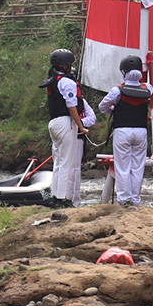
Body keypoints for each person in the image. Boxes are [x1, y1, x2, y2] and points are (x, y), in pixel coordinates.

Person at [43, 48, 95, 208]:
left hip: (54, 123)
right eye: (69, 64)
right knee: (67, 161)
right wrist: (81, 126)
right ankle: (63, 198)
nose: (71, 67)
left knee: (58, 160)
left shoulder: (54, 80)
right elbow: (72, 106)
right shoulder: (67, 82)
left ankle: (55, 195)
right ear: (64, 65)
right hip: (66, 123)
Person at [99, 58, 152, 207]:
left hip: (122, 130)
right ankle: (135, 200)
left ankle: (124, 200)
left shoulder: (117, 90)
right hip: (141, 131)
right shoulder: (148, 88)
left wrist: (114, 110)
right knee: (138, 167)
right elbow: (147, 90)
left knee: (122, 167)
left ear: (123, 72)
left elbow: (102, 107)